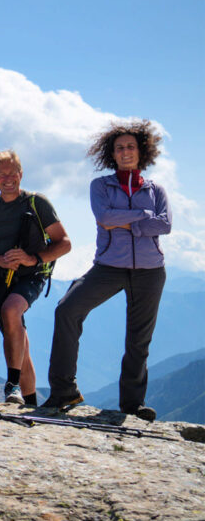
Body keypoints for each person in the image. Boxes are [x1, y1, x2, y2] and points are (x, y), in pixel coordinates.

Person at [44, 120, 169, 420]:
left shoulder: (156, 190)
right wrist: (142, 218)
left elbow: (163, 224)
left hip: (150, 271)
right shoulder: (101, 185)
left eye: (130, 147)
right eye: (119, 148)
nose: (125, 152)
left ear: (142, 152)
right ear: (112, 154)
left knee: (139, 338)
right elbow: (104, 218)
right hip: (108, 267)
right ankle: (63, 391)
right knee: (67, 310)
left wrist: (125, 220)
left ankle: (133, 404)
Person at [0, 150, 71, 405]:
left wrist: (32, 259)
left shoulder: (37, 203)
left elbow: (64, 243)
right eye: (1, 174)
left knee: (10, 311)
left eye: (12, 172)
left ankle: (12, 384)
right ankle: (30, 403)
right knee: (17, 338)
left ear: (21, 174)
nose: (8, 178)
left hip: (31, 276)